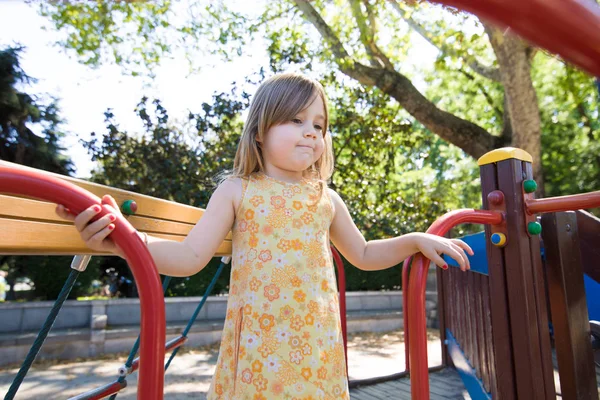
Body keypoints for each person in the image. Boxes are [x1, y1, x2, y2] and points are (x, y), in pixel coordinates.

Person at [56, 73, 473, 399]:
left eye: (319, 124)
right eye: (296, 119)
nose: (311, 131)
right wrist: (125, 241)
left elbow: (363, 253)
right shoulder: (239, 189)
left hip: (317, 345)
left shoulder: (324, 197)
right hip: (260, 349)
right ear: (260, 130)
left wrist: (415, 239)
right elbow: (189, 257)